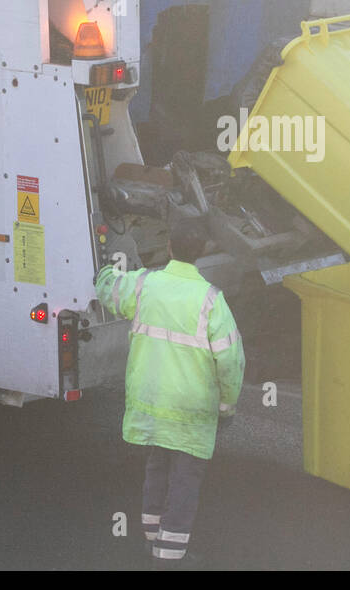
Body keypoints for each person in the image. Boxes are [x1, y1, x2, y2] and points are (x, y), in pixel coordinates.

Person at [94, 216, 245, 567]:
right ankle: (170, 555)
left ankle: (152, 538)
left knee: (157, 467)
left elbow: (108, 289)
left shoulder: (145, 285)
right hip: (191, 411)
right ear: (204, 251)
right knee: (185, 481)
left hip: (152, 403)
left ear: (168, 247)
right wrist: (227, 407)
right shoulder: (211, 301)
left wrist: (103, 266)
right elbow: (231, 362)